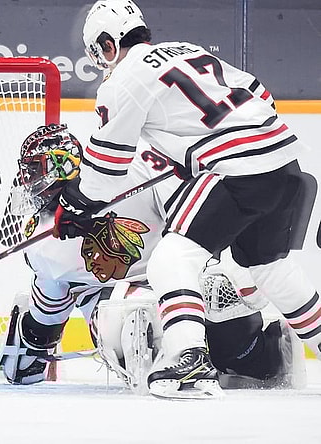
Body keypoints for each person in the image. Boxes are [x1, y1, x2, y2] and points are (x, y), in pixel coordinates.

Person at [52, 0, 316, 399]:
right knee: (269, 268)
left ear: (108, 44)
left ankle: (189, 357)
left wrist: (75, 205)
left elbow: (106, 169)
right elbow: (261, 95)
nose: (102, 63)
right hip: (284, 162)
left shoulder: (122, 81)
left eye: (98, 53)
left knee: (172, 257)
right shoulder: (190, 50)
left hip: (240, 172)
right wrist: (200, 148)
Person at [0, 124, 303, 394]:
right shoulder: (43, 238)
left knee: (217, 294)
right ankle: (164, 365)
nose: (27, 180)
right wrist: (33, 342)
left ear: (61, 166)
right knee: (123, 317)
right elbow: (51, 308)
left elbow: (198, 223)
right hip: (114, 299)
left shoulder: (134, 169)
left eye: (34, 170)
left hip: (174, 278)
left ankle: (264, 352)